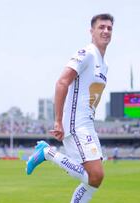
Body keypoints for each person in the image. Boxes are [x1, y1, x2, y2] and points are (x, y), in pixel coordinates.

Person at [26, 13, 114, 202]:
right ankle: (47, 152)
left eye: (109, 28)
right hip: (76, 124)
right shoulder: (87, 53)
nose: (106, 31)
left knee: (93, 182)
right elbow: (62, 82)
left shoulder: (104, 64)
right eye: (101, 27)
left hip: (88, 124)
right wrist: (58, 120)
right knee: (95, 176)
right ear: (92, 31)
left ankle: (47, 153)